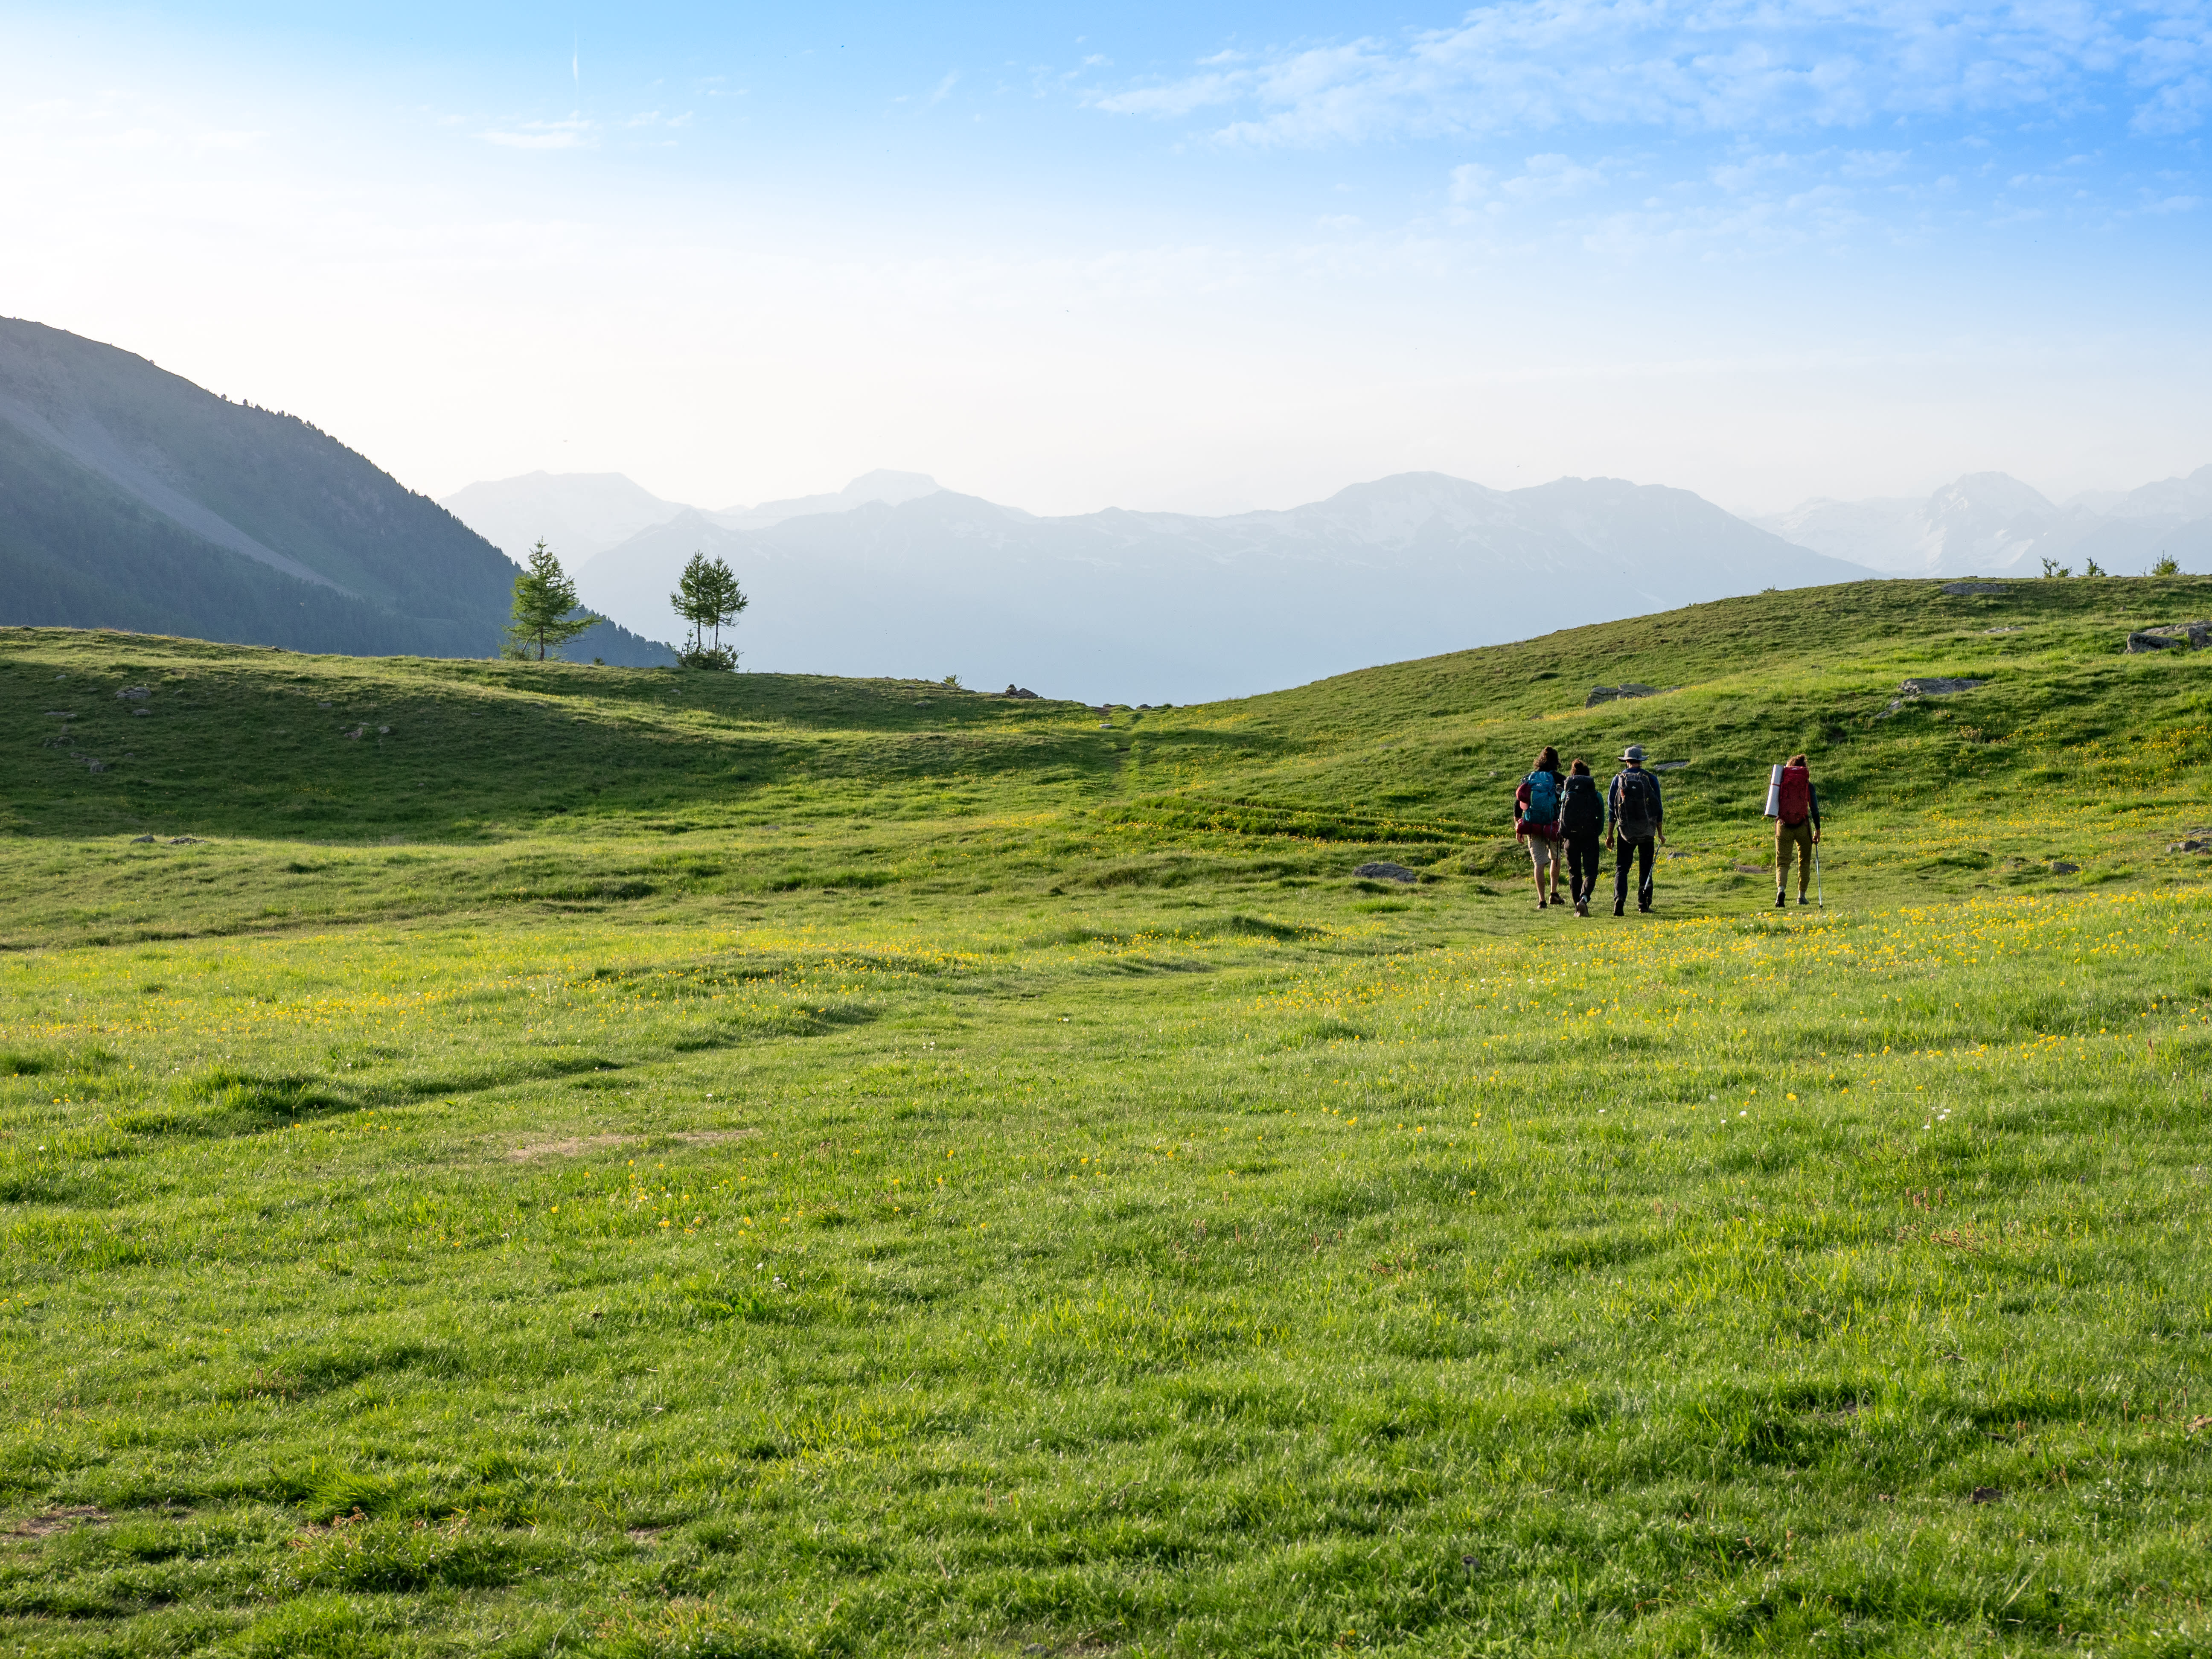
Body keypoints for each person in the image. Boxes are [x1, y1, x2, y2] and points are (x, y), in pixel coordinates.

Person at [1607, 744, 1665, 915]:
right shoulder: (1650, 779)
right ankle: (1643, 904)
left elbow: (1612, 810)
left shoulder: (1618, 779)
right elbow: (1658, 808)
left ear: (1626, 762)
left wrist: (1610, 835)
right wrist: (1660, 832)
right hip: (1647, 830)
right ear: (1640, 761)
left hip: (1625, 831)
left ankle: (1619, 900)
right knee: (1646, 867)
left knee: (1622, 868)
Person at [1513, 745, 1565, 909]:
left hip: (1532, 825)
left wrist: (1518, 826)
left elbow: (1518, 803)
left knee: (1539, 863)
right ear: (1556, 762)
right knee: (1555, 858)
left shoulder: (1529, 778)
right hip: (1552, 824)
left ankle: (1541, 901)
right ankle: (1554, 893)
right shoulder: (1558, 778)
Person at [1773, 752, 1822, 907]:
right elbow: (1814, 809)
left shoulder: (1781, 782)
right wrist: (1818, 830)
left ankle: (1781, 890)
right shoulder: (1807, 784)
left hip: (1783, 825)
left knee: (1782, 862)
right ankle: (1801, 896)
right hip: (1803, 826)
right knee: (1804, 862)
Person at [1560, 758, 1605, 916]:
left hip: (1570, 839)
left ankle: (1577, 909)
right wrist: (1597, 833)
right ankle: (1584, 899)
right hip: (1590, 837)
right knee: (1591, 872)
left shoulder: (1566, 793)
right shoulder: (1596, 795)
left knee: (1574, 873)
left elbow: (1562, 816)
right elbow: (1601, 818)